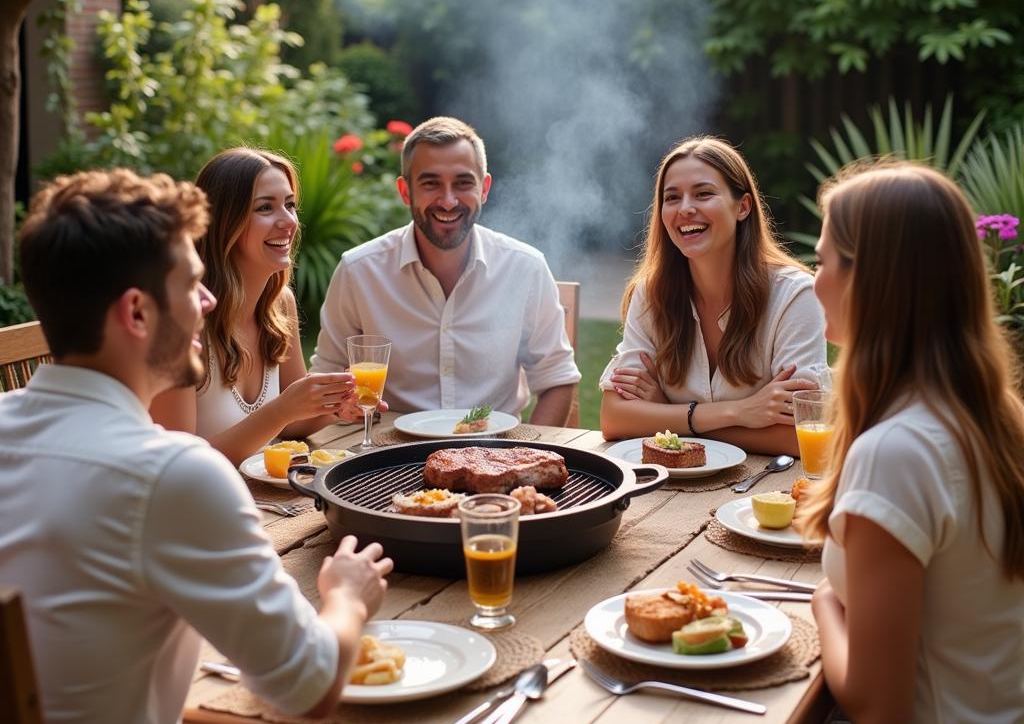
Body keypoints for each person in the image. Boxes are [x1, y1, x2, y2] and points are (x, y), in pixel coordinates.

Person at [0, 169, 393, 724]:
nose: (208, 301)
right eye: (191, 285)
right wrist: (347, 596)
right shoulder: (171, 474)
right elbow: (309, 686)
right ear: (136, 313)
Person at [801, 162, 1024, 724]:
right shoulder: (995, 417)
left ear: (872, 280)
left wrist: (823, 603)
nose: (812, 280)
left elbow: (878, 713)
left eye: (823, 262)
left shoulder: (898, 452)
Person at [311, 116, 581, 424]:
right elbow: (324, 381)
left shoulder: (526, 268)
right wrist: (341, 406)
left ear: (484, 188)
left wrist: (526, 458)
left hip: (496, 453)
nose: (449, 200)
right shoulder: (359, 271)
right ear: (405, 191)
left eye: (463, 183)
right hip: (389, 455)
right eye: (431, 184)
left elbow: (557, 380)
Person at [600, 136, 825, 455]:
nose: (686, 209)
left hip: (764, 493)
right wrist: (741, 413)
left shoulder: (794, 296)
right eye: (672, 197)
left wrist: (666, 416)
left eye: (704, 194)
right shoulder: (651, 293)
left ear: (743, 206)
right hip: (668, 491)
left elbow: (798, 436)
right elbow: (615, 418)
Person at [151, 148, 361, 467]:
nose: (288, 221)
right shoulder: (184, 320)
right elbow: (177, 464)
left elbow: (291, 424)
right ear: (224, 222)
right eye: (265, 208)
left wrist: (333, 406)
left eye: (290, 205)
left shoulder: (279, 306)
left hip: (265, 499)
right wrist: (281, 409)